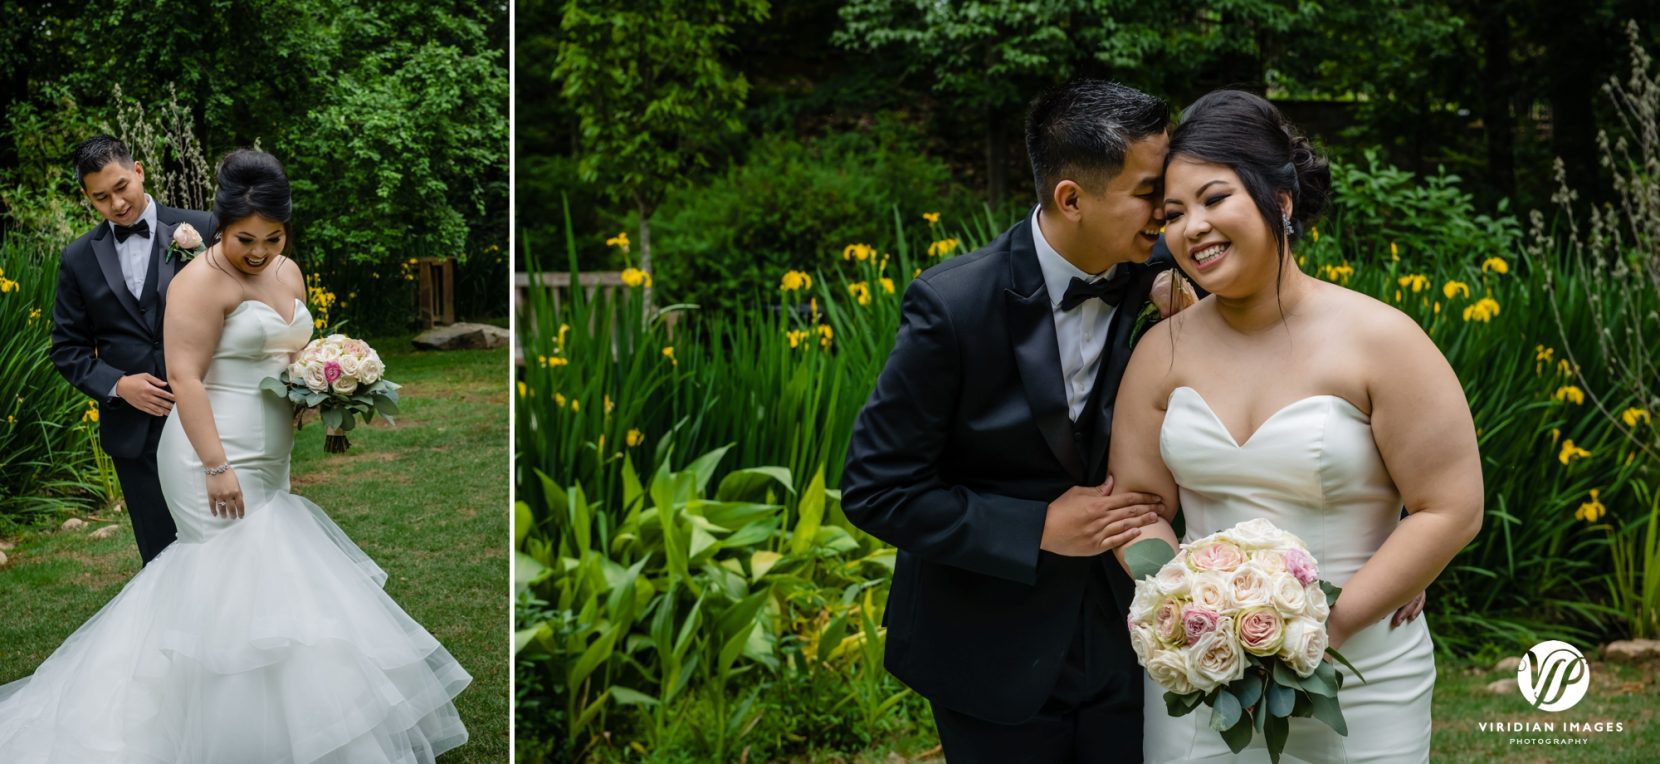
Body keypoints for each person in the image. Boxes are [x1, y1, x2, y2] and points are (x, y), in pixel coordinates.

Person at [0, 150, 471, 762]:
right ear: (220, 228)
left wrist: (314, 391)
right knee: (227, 582)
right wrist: (217, 467)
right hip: (208, 453)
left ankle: (288, 729)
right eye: (245, 239)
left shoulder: (289, 272)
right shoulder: (198, 278)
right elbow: (187, 378)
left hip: (270, 453)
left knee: (271, 583)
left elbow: (286, 351)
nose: (258, 251)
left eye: (272, 238)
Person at [1109, 90, 1482, 762]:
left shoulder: (1382, 341)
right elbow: (1137, 509)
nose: (1192, 226)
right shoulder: (1159, 353)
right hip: (1203, 688)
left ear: (1280, 201)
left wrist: (1305, 632)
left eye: (1214, 198)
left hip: (1366, 677)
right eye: (1173, 213)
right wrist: (1196, 627)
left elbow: (1449, 507)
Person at [841, 80, 1180, 762]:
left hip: (1133, 643)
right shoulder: (953, 307)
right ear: (1072, 199)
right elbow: (877, 488)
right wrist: (1039, 529)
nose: (1167, 209)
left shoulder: (1175, 276)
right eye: (1149, 191)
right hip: (989, 650)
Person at [50, 135, 215, 564]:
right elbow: (67, 348)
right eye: (101, 198)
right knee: (161, 555)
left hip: (213, 415)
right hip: (134, 434)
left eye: (122, 187)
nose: (117, 204)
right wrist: (119, 385)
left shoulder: (205, 227)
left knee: (225, 544)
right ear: (88, 198)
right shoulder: (78, 258)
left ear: (139, 171)